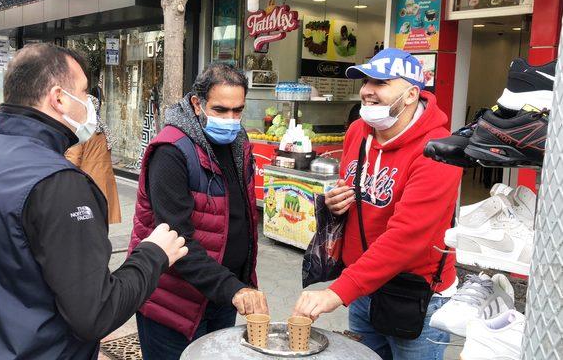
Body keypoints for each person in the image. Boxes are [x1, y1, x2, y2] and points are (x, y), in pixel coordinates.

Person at [0, 43, 188, 359]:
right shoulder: (58, 184)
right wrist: (153, 254)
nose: (90, 104)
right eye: (84, 92)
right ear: (60, 98)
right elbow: (94, 312)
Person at [292, 49, 461, 360]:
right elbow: (357, 192)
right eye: (366, 81)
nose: (367, 90)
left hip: (416, 295)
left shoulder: (439, 151)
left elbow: (406, 237)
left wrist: (338, 291)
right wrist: (335, 202)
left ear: (411, 94)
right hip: (363, 288)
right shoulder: (358, 131)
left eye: (380, 82)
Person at [129, 63, 267, 360]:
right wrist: (234, 288)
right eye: (220, 110)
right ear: (197, 103)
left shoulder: (238, 144)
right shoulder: (171, 151)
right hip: (174, 304)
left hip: (221, 295)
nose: (231, 119)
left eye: (238, 110)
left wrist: (238, 284)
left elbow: (237, 218)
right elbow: (176, 239)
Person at [65, 91, 121, 224]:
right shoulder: (102, 129)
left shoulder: (82, 131)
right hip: (103, 181)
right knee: (100, 223)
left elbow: (72, 161)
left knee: (87, 224)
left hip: (88, 184)